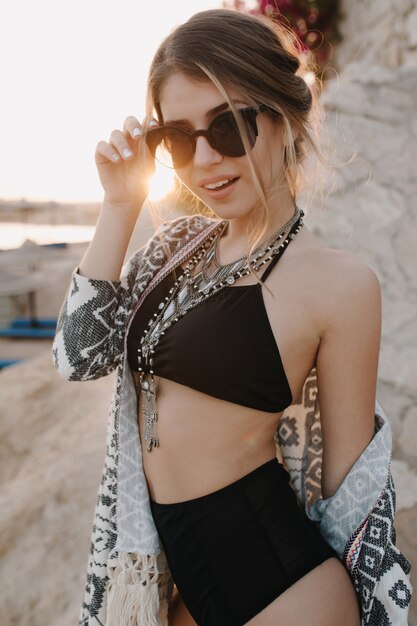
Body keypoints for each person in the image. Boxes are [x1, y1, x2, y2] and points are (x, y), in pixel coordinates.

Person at [52, 8, 412, 626]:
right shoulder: (175, 250)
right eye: (178, 139)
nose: (206, 160)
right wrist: (118, 206)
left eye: (229, 127)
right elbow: (78, 356)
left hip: (286, 594)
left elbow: (350, 493)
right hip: (175, 585)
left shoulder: (342, 285)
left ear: (284, 118)